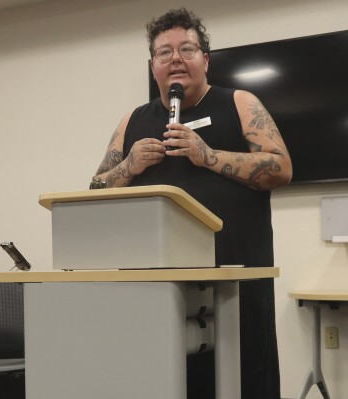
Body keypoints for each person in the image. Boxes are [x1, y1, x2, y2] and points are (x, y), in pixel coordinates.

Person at [90, 8, 292, 399]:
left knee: (244, 381)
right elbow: (96, 187)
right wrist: (128, 166)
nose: (176, 58)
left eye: (187, 49)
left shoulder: (239, 102)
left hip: (236, 284)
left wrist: (209, 156)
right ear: (153, 67)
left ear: (206, 60)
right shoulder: (132, 120)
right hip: (161, 292)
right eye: (164, 53)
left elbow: (281, 167)